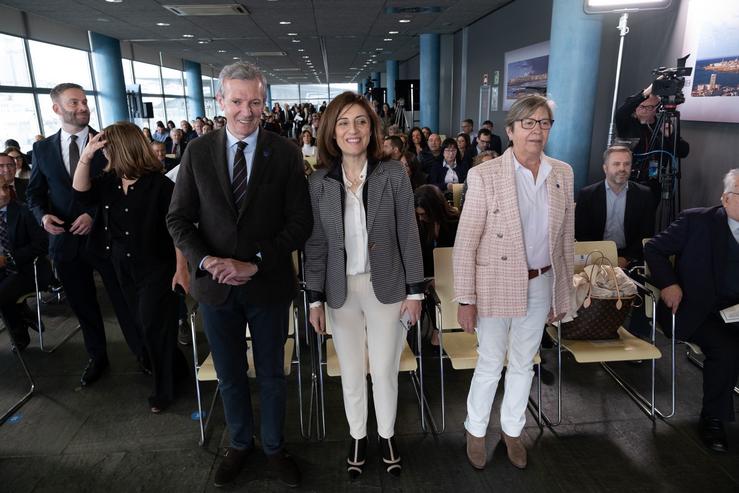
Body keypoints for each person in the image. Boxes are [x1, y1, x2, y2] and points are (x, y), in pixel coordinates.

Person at [167, 61, 312, 489]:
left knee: (271, 374)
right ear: (220, 101)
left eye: (255, 101)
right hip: (215, 290)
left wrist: (257, 262)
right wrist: (206, 261)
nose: (246, 110)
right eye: (236, 101)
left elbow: (300, 223)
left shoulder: (284, 152)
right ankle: (240, 443)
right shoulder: (196, 151)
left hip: (267, 285)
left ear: (265, 103)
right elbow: (178, 220)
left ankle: (273, 447)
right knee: (229, 375)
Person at [304, 91, 424, 481]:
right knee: (352, 371)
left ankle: (387, 435)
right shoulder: (320, 181)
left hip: (385, 287)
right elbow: (317, 244)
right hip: (341, 292)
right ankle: (357, 436)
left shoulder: (392, 173)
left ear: (372, 129)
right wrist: (315, 299)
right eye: (343, 122)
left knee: (385, 368)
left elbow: (409, 232)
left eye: (360, 121)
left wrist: (415, 291)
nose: (352, 130)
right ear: (331, 132)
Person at [454, 94, 574, 470]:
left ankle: (512, 430)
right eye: (529, 123)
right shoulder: (484, 174)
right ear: (510, 130)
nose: (537, 131)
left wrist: (562, 292)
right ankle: (475, 430)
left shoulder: (562, 173)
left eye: (544, 123)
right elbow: (466, 242)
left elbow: (565, 239)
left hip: (541, 282)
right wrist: (465, 298)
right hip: (493, 283)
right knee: (490, 362)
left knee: (524, 362)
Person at [27, 82, 146, 387]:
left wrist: (93, 215)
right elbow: (35, 194)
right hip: (65, 242)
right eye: (73, 103)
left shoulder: (108, 142)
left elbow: (124, 189)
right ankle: (97, 357)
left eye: (84, 101)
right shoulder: (41, 149)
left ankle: (144, 354)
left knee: (123, 300)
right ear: (56, 108)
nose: (82, 107)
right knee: (83, 304)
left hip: (106, 238)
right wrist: (43, 217)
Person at [72, 122, 189, 412]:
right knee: (143, 325)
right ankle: (179, 368)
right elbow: (80, 193)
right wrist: (86, 156)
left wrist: (181, 268)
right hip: (121, 266)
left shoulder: (160, 186)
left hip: (157, 267)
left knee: (152, 326)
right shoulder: (109, 182)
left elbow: (177, 229)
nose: (105, 152)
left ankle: (163, 391)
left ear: (121, 148)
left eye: (108, 147)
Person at [644, 168, 739, 453]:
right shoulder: (697, 220)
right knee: (727, 348)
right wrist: (669, 284)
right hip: (697, 308)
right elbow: (654, 250)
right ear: (725, 198)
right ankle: (713, 418)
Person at [575, 145, 655, 268]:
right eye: (616, 164)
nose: (622, 168)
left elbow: (646, 234)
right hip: (595, 257)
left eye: (626, 164)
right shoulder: (587, 195)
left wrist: (626, 259)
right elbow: (581, 233)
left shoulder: (644, 195)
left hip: (630, 259)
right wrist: (600, 257)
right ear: (605, 168)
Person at [0, 165, 52, 352]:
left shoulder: (24, 211)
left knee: (2, 294)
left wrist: (8, 258)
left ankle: (18, 332)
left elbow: (41, 245)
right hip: (3, 273)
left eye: (5, 188)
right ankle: (22, 312)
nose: (3, 194)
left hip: (27, 270)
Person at [615, 83, 689, 200]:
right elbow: (621, 112)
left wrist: (670, 136)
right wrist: (646, 92)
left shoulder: (662, 126)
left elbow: (683, 152)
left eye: (649, 107)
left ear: (657, 109)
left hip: (653, 185)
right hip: (626, 181)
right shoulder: (627, 123)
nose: (643, 110)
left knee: (647, 217)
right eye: (641, 106)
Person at [414, 184, 458, 278]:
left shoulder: (455, 223)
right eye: (419, 214)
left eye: (423, 214)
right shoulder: (418, 225)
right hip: (427, 277)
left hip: (451, 275)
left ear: (434, 209)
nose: (421, 218)